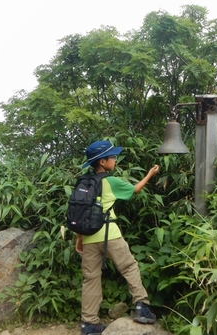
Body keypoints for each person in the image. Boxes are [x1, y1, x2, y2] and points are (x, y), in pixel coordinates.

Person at [76, 140, 160, 335]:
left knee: (90, 279)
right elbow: (135, 190)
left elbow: (79, 212)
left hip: (88, 237)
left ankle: (89, 323)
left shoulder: (83, 183)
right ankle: (141, 306)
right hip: (109, 235)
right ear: (102, 162)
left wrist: (79, 238)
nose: (115, 159)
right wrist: (150, 174)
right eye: (112, 157)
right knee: (129, 267)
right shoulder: (110, 181)